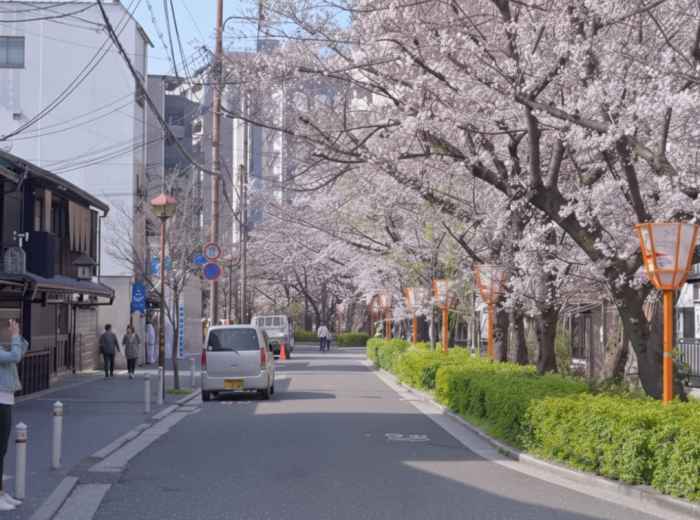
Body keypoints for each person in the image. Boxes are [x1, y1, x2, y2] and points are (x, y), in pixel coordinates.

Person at [0, 319, 27, 511]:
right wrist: (15, 336)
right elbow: (15, 357)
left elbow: (20, 352)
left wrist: (18, 336)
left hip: (5, 400)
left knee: (2, 450)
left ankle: (1, 493)